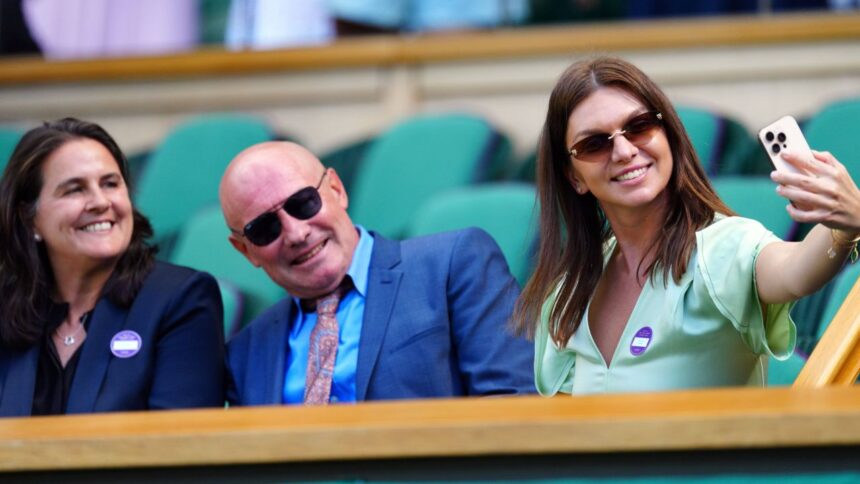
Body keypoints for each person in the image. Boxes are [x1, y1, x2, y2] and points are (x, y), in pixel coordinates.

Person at [514, 56, 860, 395]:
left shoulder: (721, 247)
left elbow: (795, 272)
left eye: (639, 126)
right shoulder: (568, 294)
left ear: (668, 135)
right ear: (574, 177)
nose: (623, 150)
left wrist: (847, 222)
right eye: (594, 144)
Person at [219, 141, 534, 405]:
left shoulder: (451, 264)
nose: (296, 233)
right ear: (245, 250)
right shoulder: (245, 352)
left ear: (336, 189)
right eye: (264, 228)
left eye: (303, 203)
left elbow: (512, 406)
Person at [0, 118, 225, 416]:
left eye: (110, 183)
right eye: (74, 190)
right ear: (29, 218)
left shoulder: (180, 299)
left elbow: (180, 446)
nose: (100, 201)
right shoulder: (6, 306)